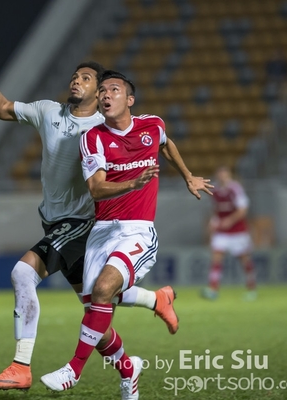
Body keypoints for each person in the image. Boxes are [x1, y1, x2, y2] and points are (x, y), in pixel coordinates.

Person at [0, 34, 179, 392]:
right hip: (54, 221)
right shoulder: (48, 111)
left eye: (86, 78)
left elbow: (151, 140)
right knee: (95, 312)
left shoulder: (102, 129)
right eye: (75, 76)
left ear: (100, 93)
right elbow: (2, 108)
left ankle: (21, 365)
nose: (76, 80)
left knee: (23, 273)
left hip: (81, 223)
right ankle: (135, 348)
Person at [40, 70, 213, 399]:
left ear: (129, 99)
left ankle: (73, 370)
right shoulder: (93, 138)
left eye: (114, 90)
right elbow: (96, 188)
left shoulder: (152, 125)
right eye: (102, 91)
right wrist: (133, 183)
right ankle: (130, 367)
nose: (106, 95)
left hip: (137, 230)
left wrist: (188, 176)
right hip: (101, 232)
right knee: (96, 318)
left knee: (103, 290)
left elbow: (166, 144)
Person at [202, 165, 257, 301]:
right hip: (222, 231)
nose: (222, 177)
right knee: (216, 257)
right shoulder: (214, 190)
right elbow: (215, 210)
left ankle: (251, 289)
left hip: (238, 231)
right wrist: (213, 221)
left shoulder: (235, 189)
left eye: (225, 175)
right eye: (220, 175)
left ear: (229, 176)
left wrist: (230, 220)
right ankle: (213, 289)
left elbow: (243, 209)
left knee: (244, 259)